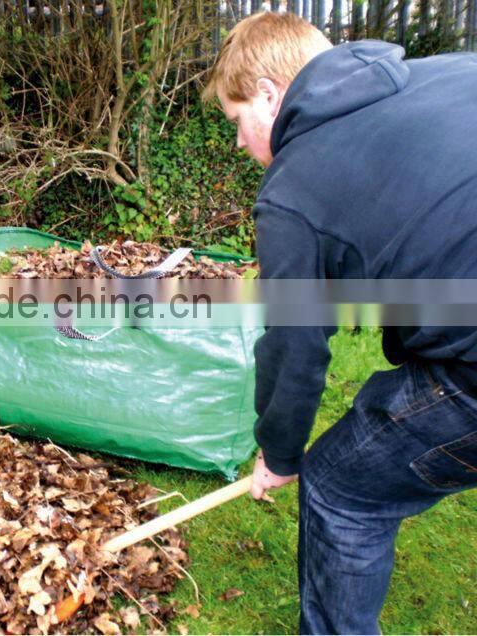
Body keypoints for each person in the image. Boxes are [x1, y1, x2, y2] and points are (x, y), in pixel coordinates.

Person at [203, 11, 477, 634]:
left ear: (270, 96)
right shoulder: (453, 73)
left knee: (339, 486)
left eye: (237, 120)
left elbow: (295, 343)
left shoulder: (293, 189)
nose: (240, 143)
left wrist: (279, 452)